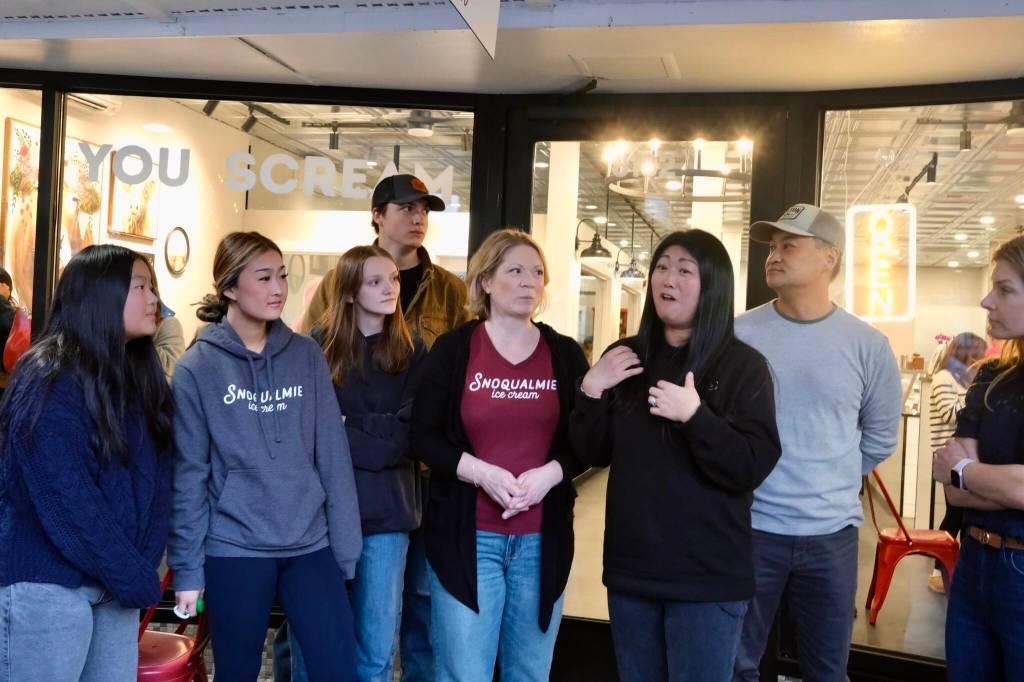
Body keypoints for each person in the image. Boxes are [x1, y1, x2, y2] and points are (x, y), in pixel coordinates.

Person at [570, 230, 781, 682]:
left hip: (707, 578)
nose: (669, 279)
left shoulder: (742, 366)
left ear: (713, 285)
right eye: (662, 267)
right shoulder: (624, 357)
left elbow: (749, 465)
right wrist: (591, 389)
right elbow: (592, 453)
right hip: (633, 573)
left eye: (686, 270)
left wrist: (696, 417)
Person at [167, 231, 361, 681]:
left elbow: (332, 456)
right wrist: (187, 568)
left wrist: (346, 548)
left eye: (282, 276)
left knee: (338, 669)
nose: (278, 288)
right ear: (230, 287)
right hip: (234, 546)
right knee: (236, 672)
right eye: (264, 277)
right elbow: (189, 476)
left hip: (310, 544)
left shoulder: (306, 355)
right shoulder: (197, 369)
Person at [298, 173, 469, 682]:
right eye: (406, 207)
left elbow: (427, 408)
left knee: (405, 614)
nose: (418, 217)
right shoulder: (328, 314)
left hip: (407, 485)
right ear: (378, 214)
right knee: (313, 632)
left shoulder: (449, 293)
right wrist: (355, 430)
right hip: (328, 498)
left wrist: (351, 427)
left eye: (425, 210)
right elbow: (312, 412)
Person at [732, 204, 902, 682]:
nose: (774, 255)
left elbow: (881, 435)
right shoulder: (740, 334)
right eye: (772, 246)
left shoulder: (867, 344)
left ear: (829, 257)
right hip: (752, 528)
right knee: (735, 665)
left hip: (831, 535)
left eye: (790, 245)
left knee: (827, 670)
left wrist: (827, 478)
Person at [410, 229, 589, 681]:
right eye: (515, 270)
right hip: (468, 539)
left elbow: (588, 442)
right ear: (485, 280)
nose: (530, 281)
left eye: (537, 272)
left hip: (539, 542)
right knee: (462, 673)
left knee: (528, 672)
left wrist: (550, 475)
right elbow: (422, 436)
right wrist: (481, 473)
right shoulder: (454, 350)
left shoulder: (564, 355)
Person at [0, 244, 174, 681]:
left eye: (152, 287)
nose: (154, 299)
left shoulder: (139, 376)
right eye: (140, 287)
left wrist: (139, 567)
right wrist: (135, 573)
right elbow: (70, 504)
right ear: (101, 296)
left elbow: (159, 484)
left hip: (114, 586)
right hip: (47, 587)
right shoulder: (47, 377)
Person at [309, 245, 427, 681]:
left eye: (394, 279)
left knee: (376, 653)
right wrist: (374, 428)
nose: (390, 289)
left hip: (387, 516)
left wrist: (346, 424)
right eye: (376, 281)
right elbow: (310, 436)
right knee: (316, 645)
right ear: (348, 292)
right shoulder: (315, 349)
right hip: (321, 515)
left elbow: (406, 438)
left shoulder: (415, 352)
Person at [933, 235, 1024, 682]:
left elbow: (959, 471)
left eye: (1005, 290)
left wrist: (967, 472)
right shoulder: (991, 375)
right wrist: (986, 482)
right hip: (973, 563)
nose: (987, 301)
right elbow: (952, 487)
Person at [927, 331, 986, 593]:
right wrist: (974, 395)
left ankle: (952, 572)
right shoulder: (943, 378)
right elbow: (950, 415)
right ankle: (941, 573)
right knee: (954, 516)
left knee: (959, 516)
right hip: (948, 459)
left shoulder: (959, 380)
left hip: (961, 459)